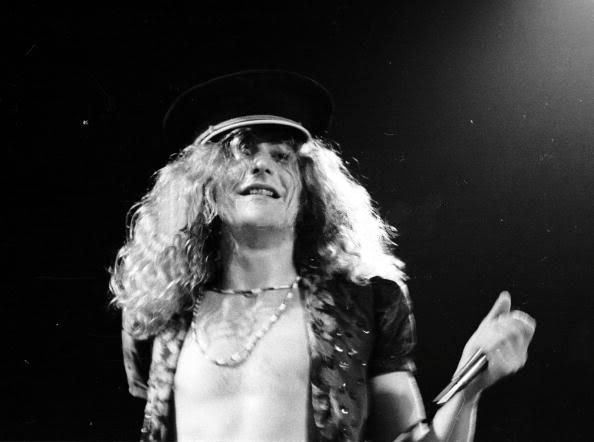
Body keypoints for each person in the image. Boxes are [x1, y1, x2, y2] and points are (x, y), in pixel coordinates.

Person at [110, 70, 535, 442]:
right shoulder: (160, 313)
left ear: (309, 190)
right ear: (205, 187)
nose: (261, 166)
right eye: (240, 154)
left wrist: (468, 389)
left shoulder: (367, 303)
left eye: (281, 157)